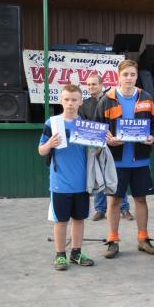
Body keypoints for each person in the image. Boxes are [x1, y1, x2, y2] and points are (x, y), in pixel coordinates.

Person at [95, 60, 154, 259]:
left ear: (136, 76)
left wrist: (152, 137)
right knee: (114, 201)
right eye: (125, 74)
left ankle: (143, 238)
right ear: (118, 77)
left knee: (141, 199)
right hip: (116, 162)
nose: (129, 78)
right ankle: (112, 240)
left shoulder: (146, 97)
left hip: (140, 161)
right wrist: (107, 140)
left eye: (132, 74)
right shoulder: (107, 99)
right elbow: (98, 129)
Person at [39, 84, 94, 270]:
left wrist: (102, 142)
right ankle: (60, 255)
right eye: (66, 99)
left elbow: (95, 150)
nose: (70, 103)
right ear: (61, 101)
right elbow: (41, 150)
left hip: (81, 182)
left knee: (79, 219)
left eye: (74, 100)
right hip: (60, 183)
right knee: (61, 221)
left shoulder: (86, 124)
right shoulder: (52, 123)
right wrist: (49, 144)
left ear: (80, 102)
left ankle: (76, 253)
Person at [79, 74, 133, 222]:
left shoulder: (111, 100)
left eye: (94, 84)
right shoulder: (83, 104)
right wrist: (93, 142)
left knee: (116, 178)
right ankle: (100, 209)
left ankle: (124, 208)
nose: (91, 87)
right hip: (95, 145)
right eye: (89, 85)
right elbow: (82, 125)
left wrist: (114, 138)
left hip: (113, 144)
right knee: (99, 176)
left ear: (101, 85)